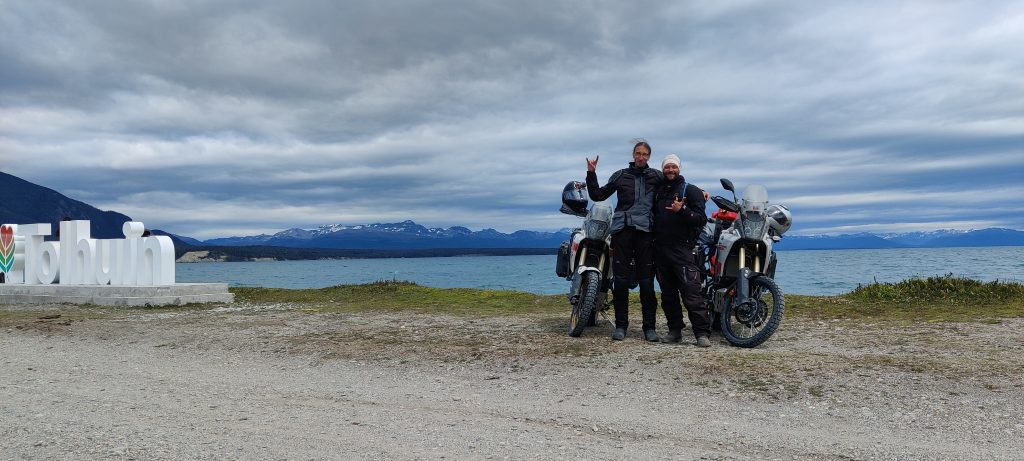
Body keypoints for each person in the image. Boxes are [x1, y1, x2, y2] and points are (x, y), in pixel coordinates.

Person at [585, 140, 663, 341]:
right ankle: (621, 326)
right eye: (638, 153)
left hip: (646, 233)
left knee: (647, 283)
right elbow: (598, 194)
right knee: (620, 281)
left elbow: (676, 188)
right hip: (622, 233)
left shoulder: (657, 176)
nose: (641, 157)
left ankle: (649, 328)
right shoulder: (621, 175)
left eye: (645, 154)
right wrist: (591, 173)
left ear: (649, 157)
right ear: (633, 154)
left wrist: (700, 195)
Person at [652, 154, 713, 347]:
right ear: (663, 169)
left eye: (673, 167)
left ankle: (701, 333)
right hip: (661, 249)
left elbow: (701, 219)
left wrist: (682, 211)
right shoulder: (658, 191)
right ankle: (675, 331)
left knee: (692, 292)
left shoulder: (691, 190)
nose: (670, 170)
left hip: (684, 249)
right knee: (668, 295)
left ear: (679, 169)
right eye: (667, 167)